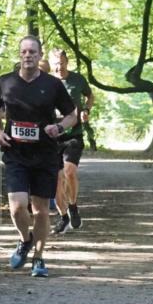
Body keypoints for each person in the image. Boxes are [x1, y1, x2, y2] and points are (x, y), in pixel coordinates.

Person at [0, 36, 79, 277]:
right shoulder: (5, 82)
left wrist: (59, 128)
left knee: (40, 210)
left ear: (40, 56)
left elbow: (72, 115)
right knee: (18, 208)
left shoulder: (52, 85)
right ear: (19, 55)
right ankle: (25, 239)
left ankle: (39, 258)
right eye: (24, 52)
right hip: (15, 153)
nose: (28, 55)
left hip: (45, 155)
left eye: (33, 52)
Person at [48, 48, 95, 234]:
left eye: (62, 63)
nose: (59, 67)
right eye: (56, 64)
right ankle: (64, 216)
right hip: (51, 138)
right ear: (51, 65)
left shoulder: (77, 80)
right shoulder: (46, 82)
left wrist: (86, 110)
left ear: (67, 62)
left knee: (69, 171)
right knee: (56, 181)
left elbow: (90, 96)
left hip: (73, 135)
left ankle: (73, 206)